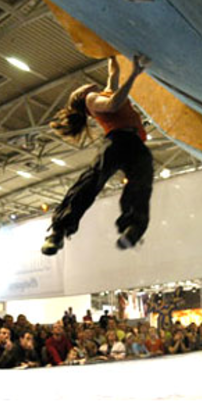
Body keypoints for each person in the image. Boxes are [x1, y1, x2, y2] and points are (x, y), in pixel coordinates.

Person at [42, 54, 154, 255]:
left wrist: (109, 53)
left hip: (135, 143)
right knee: (92, 181)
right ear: (81, 96)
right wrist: (135, 74)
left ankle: (133, 227)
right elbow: (113, 105)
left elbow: (114, 72)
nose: (87, 85)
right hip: (118, 140)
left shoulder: (105, 91)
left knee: (141, 182)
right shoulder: (91, 99)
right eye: (82, 87)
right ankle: (59, 229)